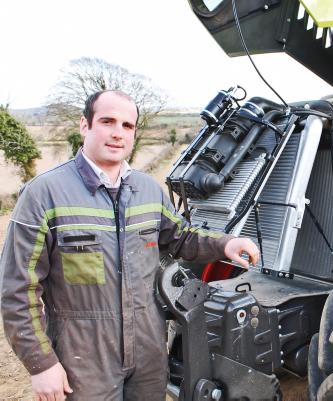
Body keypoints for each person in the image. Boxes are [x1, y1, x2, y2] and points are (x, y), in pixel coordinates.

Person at [0, 90, 260, 401]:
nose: (118, 133)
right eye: (107, 121)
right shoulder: (44, 195)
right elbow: (17, 289)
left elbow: (181, 237)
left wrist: (225, 244)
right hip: (83, 359)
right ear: (85, 125)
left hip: (148, 354)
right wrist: (41, 364)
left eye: (127, 125)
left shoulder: (148, 190)